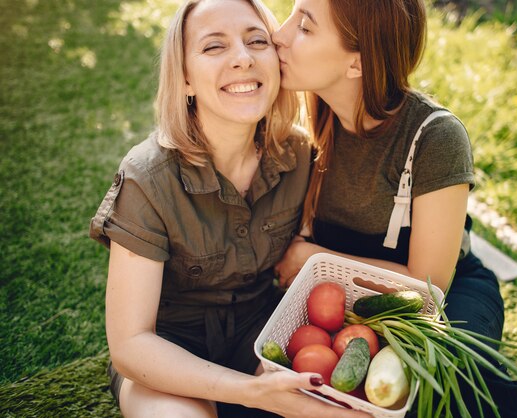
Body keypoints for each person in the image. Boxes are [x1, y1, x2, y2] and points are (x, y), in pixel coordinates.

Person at [89, 1, 371, 417]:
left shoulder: (299, 155)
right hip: (168, 357)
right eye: (213, 47)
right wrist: (250, 392)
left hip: (264, 335)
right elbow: (132, 345)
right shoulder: (147, 177)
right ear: (185, 78)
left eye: (257, 41)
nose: (242, 58)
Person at [272, 0, 517, 417]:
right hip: (344, 296)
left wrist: (315, 259)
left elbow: (426, 288)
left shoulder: (435, 137)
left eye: (304, 28)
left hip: (443, 298)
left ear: (357, 64)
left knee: (454, 384)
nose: (279, 35)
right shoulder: (314, 113)